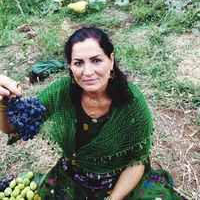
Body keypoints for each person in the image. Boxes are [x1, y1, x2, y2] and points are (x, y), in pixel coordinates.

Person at [0, 27, 182, 200]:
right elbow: (14, 128)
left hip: (122, 180)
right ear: (70, 67)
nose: (88, 72)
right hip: (75, 178)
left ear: (111, 60)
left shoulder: (132, 104)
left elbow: (137, 162)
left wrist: (113, 198)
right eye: (78, 63)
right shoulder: (61, 93)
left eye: (96, 60)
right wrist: (3, 104)